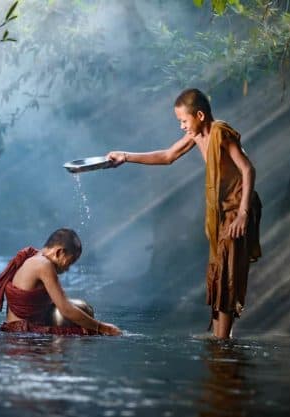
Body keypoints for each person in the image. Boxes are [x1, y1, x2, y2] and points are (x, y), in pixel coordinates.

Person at [107, 88, 261, 339]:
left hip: (237, 209)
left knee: (227, 271)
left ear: (200, 115)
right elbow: (167, 156)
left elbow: (248, 169)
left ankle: (222, 341)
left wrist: (243, 214)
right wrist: (125, 156)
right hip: (220, 212)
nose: (181, 126)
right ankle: (221, 337)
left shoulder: (221, 133)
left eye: (183, 121)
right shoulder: (196, 136)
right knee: (217, 269)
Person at [0, 228, 121, 336]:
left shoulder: (32, 257)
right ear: (59, 252)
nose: (67, 268)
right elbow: (65, 309)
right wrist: (103, 328)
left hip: (14, 333)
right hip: (23, 336)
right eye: (69, 262)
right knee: (88, 328)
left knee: (82, 309)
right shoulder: (44, 265)